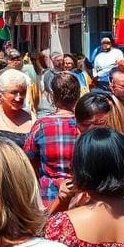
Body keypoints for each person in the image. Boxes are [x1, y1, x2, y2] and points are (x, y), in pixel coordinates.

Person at [25, 72, 81, 205]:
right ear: (78, 95)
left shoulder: (41, 125)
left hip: (49, 197)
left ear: (52, 96)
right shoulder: (86, 124)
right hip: (80, 197)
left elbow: (27, 160)